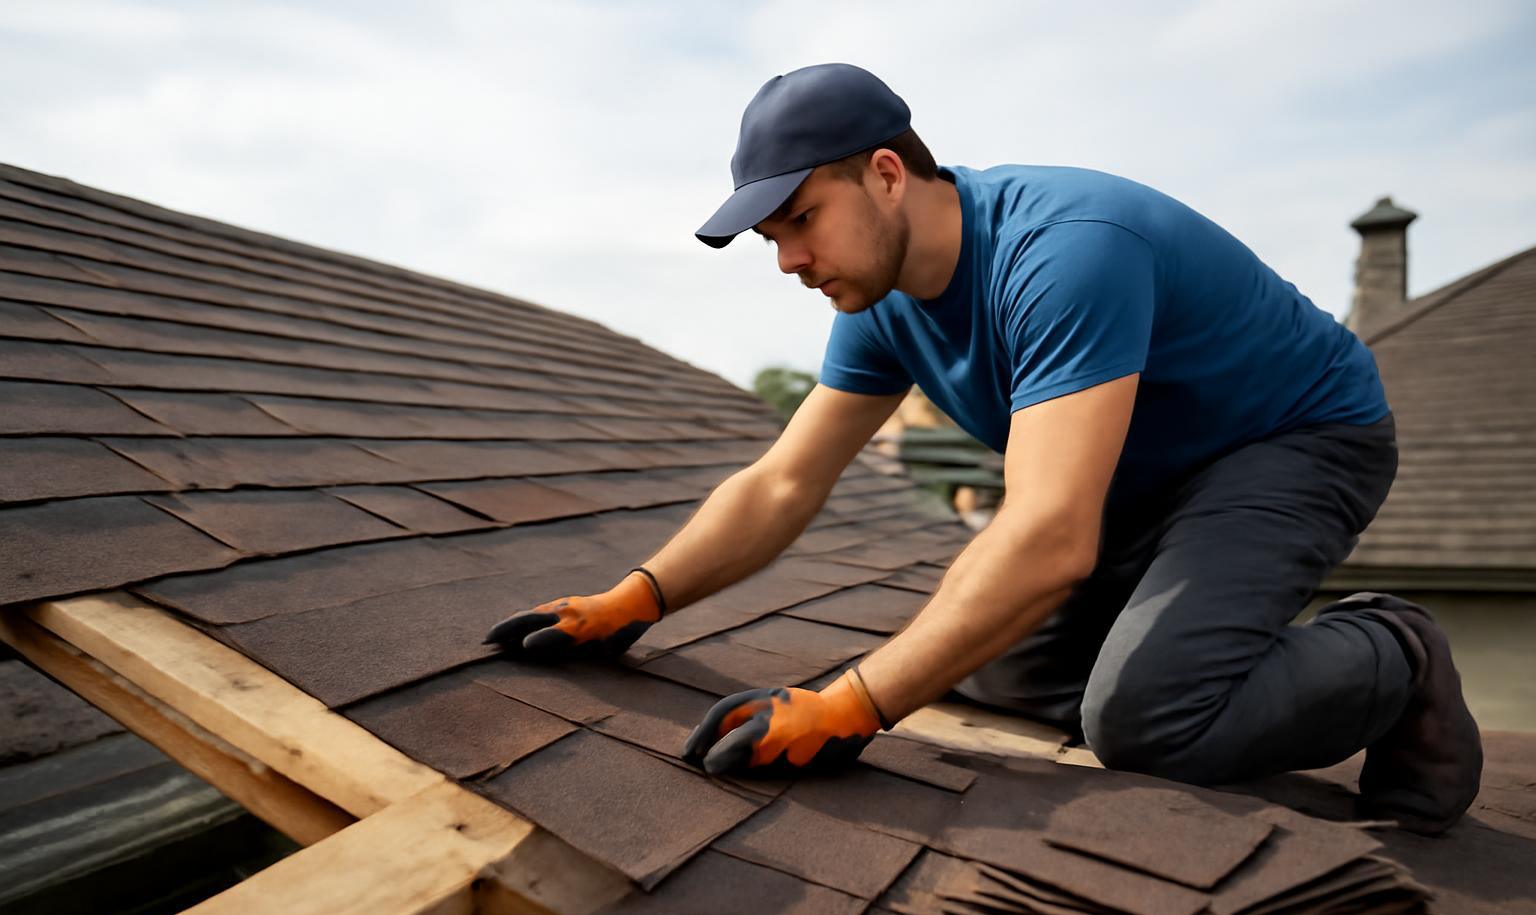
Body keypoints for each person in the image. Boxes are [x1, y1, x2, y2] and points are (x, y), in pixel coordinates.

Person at [486, 63, 1482, 835]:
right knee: (989, 664)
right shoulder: (881, 300)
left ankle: (1393, 650)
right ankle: (1177, 650)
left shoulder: (1064, 252)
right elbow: (787, 479)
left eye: (801, 221)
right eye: (769, 241)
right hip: (1147, 470)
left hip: (1293, 439)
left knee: (1144, 723)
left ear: (885, 174)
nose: (789, 260)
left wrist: (855, 706)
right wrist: (638, 598)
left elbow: (1050, 536)